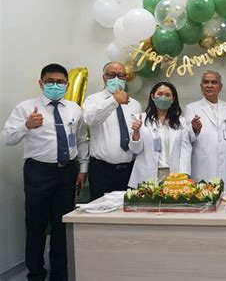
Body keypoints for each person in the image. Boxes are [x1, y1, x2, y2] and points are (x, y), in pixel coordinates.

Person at [1, 63, 89, 281]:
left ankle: (59, 274)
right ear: (41, 83)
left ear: (67, 85)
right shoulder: (26, 108)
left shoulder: (74, 109)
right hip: (38, 172)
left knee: (62, 226)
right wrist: (26, 125)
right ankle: (36, 273)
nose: (55, 86)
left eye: (60, 82)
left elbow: (81, 140)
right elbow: (7, 138)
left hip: (67, 171)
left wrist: (83, 168)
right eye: (50, 81)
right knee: (36, 225)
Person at [82, 62, 142, 201]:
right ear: (104, 77)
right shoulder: (93, 100)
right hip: (102, 170)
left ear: (126, 78)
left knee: (127, 212)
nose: (116, 78)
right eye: (111, 75)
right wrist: (114, 100)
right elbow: (90, 119)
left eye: (120, 75)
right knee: (101, 212)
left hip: (129, 170)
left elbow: (137, 135)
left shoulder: (135, 104)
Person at [184, 70, 226, 191]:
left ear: (220, 87)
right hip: (202, 163)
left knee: (224, 197)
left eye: (214, 82)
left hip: (225, 162)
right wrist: (194, 129)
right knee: (203, 196)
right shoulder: (192, 108)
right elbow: (186, 139)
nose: (209, 85)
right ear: (201, 86)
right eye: (206, 82)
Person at [128, 81, 191, 187]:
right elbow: (135, 150)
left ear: (173, 98)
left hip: (173, 174)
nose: (163, 98)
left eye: (167, 95)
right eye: (160, 94)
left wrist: (183, 175)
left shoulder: (181, 122)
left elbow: (185, 149)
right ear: (153, 96)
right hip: (146, 174)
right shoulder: (140, 119)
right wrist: (136, 132)